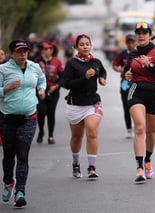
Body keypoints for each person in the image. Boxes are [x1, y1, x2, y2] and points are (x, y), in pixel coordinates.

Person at [0, 40, 46, 207]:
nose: (23, 55)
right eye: (19, 52)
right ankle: (8, 181)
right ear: (12, 53)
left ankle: (20, 191)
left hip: (28, 117)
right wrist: (6, 89)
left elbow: (41, 80)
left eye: (25, 51)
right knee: (9, 154)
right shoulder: (3, 69)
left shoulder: (34, 67)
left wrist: (41, 89)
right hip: (7, 119)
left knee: (22, 155)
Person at [125, 22, 155, 183]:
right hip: (136, 92)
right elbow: (126, 72)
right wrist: (128, 75)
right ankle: (139, 168)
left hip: (154, 94)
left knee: (150, 132)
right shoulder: (132, 54)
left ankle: (148, 160)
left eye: (145, 32)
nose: (141, 35)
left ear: (150, 35)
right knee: (140, 128)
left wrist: (149, 65)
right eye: (138, 32)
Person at [63, 33, 107, 180]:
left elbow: (103, 71)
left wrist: (102, 78)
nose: (85, 46)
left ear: (91, 45)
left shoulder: (96, 62)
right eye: (81, 44)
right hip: (75, 104)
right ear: (76, 47)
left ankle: (92, 167)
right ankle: (76, 164)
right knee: (76, 137)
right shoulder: (71, 64)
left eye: (87, 44)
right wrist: (85, 78)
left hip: (92, 103)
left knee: (92, 131)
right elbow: (67, 84)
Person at [34, 42, 64, 144]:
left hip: (53, 91)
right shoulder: (37, 61)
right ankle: (41, 131)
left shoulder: (57, 62)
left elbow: (62, 77)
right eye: (43, 49)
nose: (45, 51)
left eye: (47, 49)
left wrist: (56, 86)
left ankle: (51, 135)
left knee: (51, 113)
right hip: (40, 91)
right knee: (41, 112)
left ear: (51, 50)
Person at [112, 34, 136, 139]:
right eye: (129, 42)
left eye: (132, 42)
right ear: (126, 43)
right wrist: (119, 69)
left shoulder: (139, 53)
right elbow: (114, 65)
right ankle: (129, 129)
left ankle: (137, 126)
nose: (131, 44)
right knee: (126, 106)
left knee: (136, 105)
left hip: (136, 83)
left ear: (136, 42)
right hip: (125, 83)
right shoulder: (122, 54)